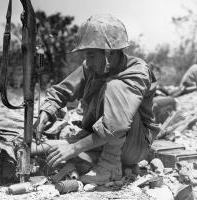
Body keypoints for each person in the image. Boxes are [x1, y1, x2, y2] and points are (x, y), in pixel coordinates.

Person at [34, 14, 160, 184]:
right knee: (42, 148)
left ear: (109, 54)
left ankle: (108, 167)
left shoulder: (137, 71)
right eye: (86, 55)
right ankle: (91, 155)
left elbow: (115, 126)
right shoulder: (92, 67)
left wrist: (74, 147)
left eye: (91, 55)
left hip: (134, 145)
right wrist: (46, 111)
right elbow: (63, 90)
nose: (88, 61)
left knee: (113, 87)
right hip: (99, 135)